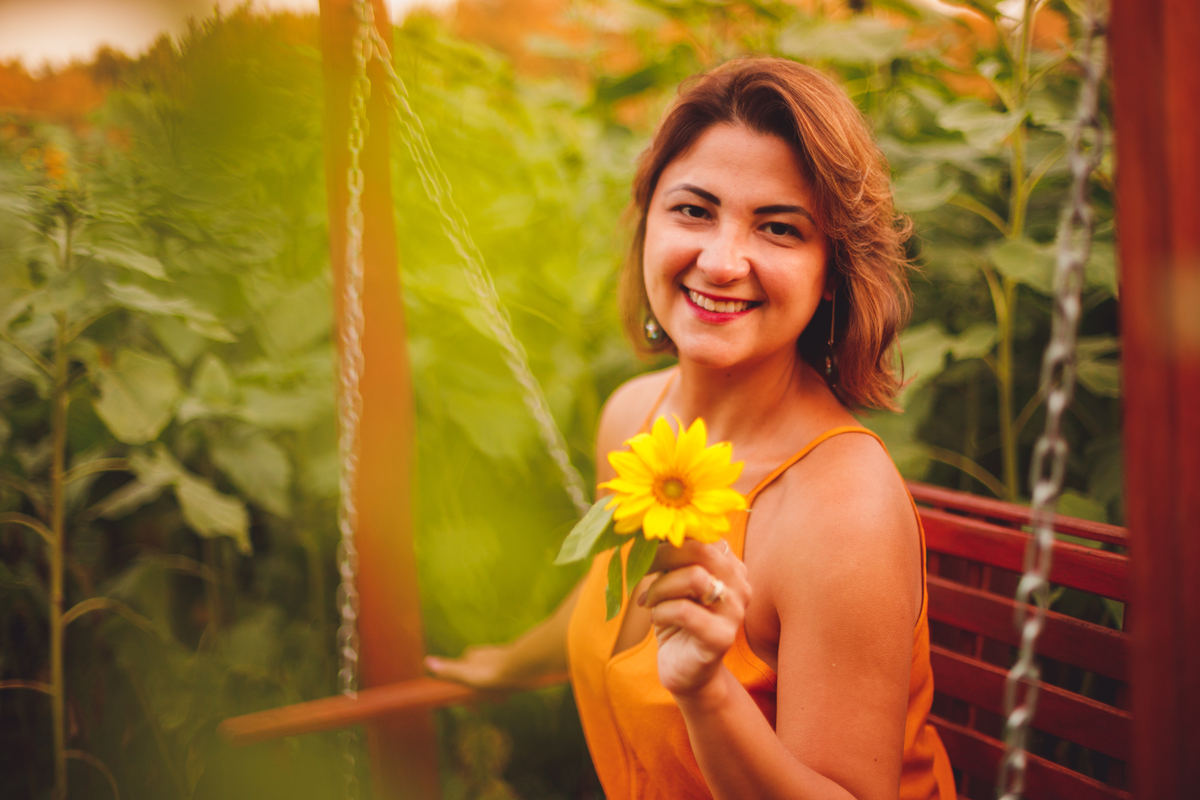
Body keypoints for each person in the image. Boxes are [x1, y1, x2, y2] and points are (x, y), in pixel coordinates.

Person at [425, 56, 956, 800]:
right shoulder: (636, 418)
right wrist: (513, 663)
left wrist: (708, 694)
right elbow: (616, 589)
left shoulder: (840, 510)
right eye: (694, 210)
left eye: (778, 228)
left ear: (832, 272)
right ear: (647, 223)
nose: (721, 260)